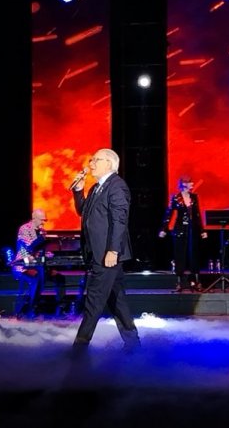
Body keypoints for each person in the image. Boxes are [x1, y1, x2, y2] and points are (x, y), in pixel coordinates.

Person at [70, 148, 141, 351]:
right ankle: (133, 344)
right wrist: (78, 191)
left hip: (107, 254)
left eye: (96, 160)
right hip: (97, 252)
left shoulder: (117, 186)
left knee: (94, 300)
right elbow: (83, 211)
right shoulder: (96, 187)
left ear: (109, 163)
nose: (91, 164)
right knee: (116, 300)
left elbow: (120, 221)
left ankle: (79, 348)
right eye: (91, 160)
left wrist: (113, 250)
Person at [12, 209, 66, 317]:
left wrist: (47, 254)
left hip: (39, 265)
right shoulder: (24, 229)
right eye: (42, 220)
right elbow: (26, 248)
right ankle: (32, 308)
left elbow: (41, 250)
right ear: (34, 218)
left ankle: (61, 308)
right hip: (24, 266)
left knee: (59, 278)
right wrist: (40, 243)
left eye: (44, 220)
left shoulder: (42, 231)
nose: (43, 222)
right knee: (37, 277)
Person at [159, 175, 208, 292]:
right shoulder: (176, 198)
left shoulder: (194, 197)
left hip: (192, 229)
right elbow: (169, 214)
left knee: (194, 255)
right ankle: (179, 282)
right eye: (190, 182)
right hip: (180, 229)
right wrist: (164, 229)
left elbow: (197, 215)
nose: (192, 184)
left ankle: (196, 281)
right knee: (179, 255)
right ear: (184, 184)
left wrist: (202, 230)